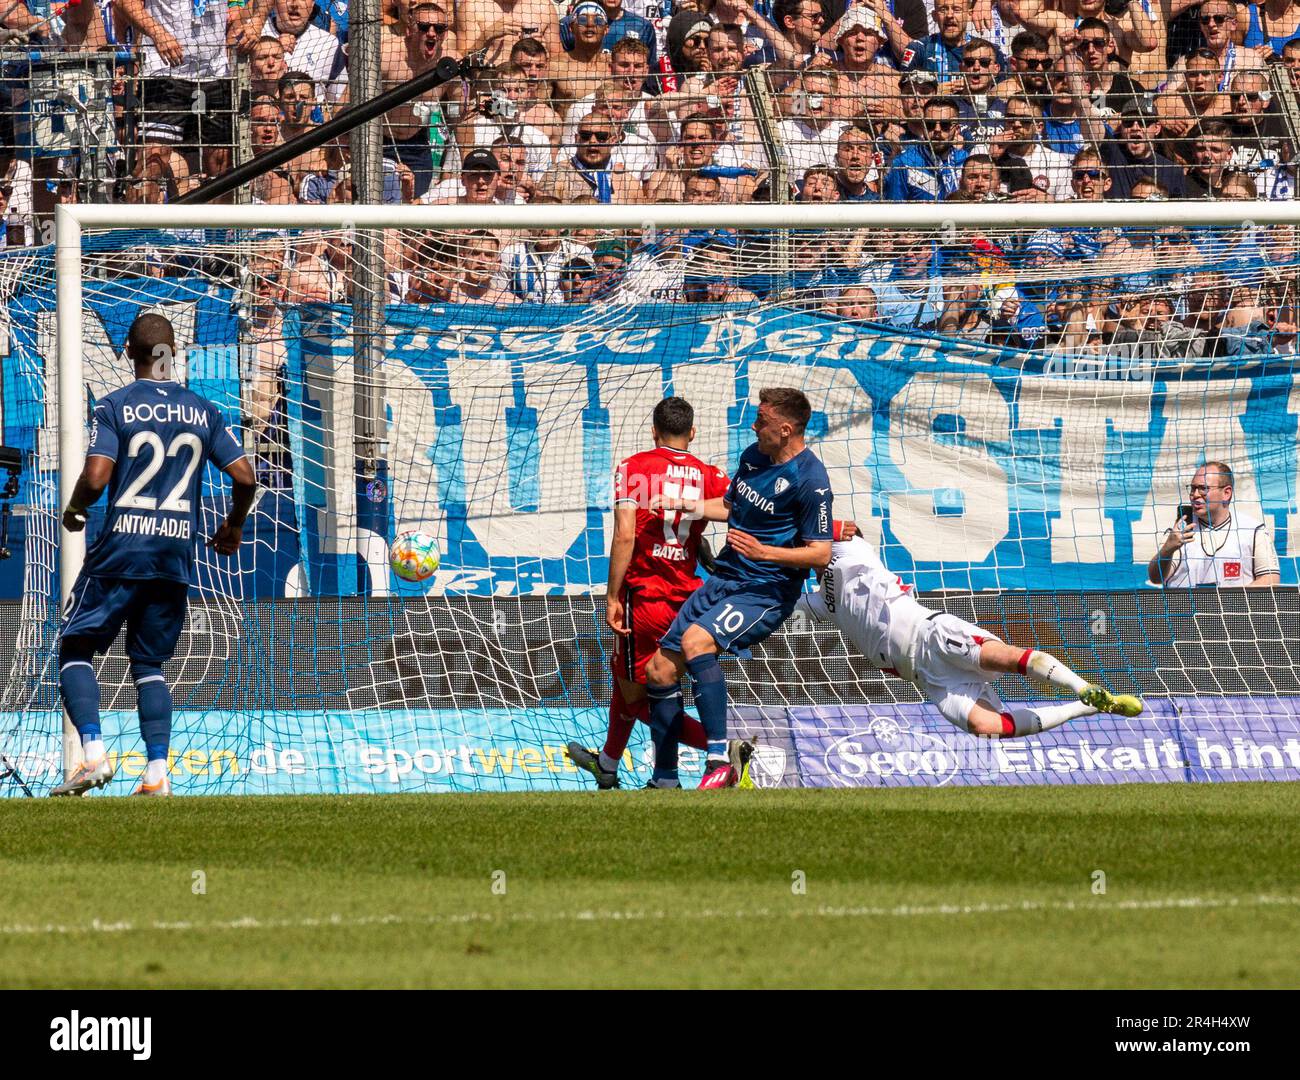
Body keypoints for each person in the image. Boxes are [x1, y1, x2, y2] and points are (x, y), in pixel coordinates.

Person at [50, 314, 258, 798]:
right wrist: (234, 525)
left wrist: (76, 509)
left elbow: (98, 477)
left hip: (122, 551)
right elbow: (246, 477)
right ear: (174, 351)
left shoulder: (115, 406)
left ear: (127, 350)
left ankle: (95, 757)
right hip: (174, 556)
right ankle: (157, 774)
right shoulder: (203, 411)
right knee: (148, 665)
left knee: (75, 647)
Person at [643, 387, 833, 790]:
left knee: (696, 642)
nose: (753, 426)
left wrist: (765, 552)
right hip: (725, 577)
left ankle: (718, 761)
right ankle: (664, 781)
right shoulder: (753, 456)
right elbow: (730, 508)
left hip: (764, 591)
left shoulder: (811, 481)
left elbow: (819, 554)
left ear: (785, 429)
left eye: (761, 421)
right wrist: (685, 504)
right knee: (658, 672)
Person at [798, 529, 1143, 738]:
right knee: (987, 727)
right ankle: (1088, 708)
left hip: (932, 634)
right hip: (927, 678)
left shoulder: (850, 550)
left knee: (1007, 658)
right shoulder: (823, 601)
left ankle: (1083, 687)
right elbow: (787, 605)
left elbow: (823, 527)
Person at [566, 396, 730, 789]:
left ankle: (724, 752)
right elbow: (735, 508)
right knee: (630, 676)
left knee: (638, 694)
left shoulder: (634, 467)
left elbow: (625, 534)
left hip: (645, 596)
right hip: (690, 598)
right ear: (692, 432)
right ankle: (608, 762)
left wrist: (612, 596)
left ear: (653, 430)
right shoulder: (709, 474)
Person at [1148, 462, 1281, 587]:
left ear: (1226, 493)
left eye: (1203, 489)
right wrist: (1168, 549)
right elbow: (1156, 578)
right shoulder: (1181, 528)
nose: (1195, 495)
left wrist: (1223, 601)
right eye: (1193, 488)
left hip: (1233, 610)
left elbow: (1271, 580)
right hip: (1185, 608)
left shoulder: (1253, 529)